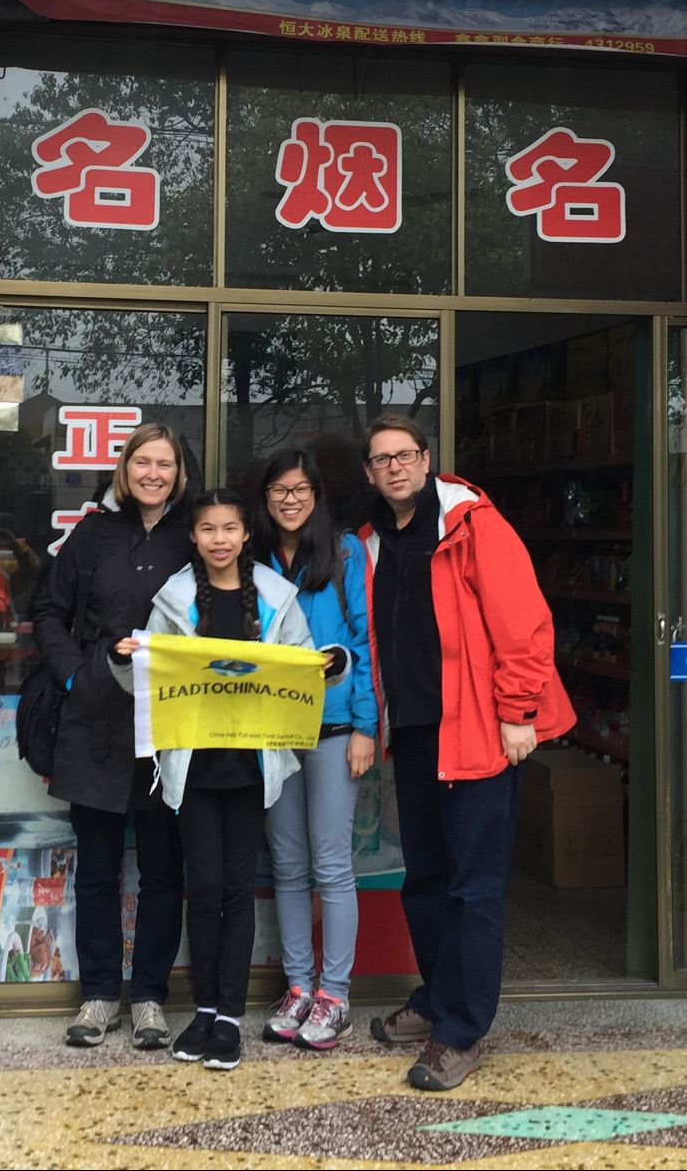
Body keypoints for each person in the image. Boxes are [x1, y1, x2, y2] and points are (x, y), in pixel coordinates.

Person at [358, 412, 573, 1091]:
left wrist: (519, 713)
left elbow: (525, 625)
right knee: (424, 878)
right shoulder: (369, 542)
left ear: (426, 460)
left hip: (480, 732)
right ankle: (435, 999)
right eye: (381, 459)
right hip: (415, 735)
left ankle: (462, 1030)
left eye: (404, 455)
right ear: (369, 473)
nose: (394, 467)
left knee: (472, 887)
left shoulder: (473, 524)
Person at [112, 488, 336, 1071]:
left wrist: (328, 667)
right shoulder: (174, 597)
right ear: (193, 536)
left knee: (237, 891)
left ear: (246, 534)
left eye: (230, 529)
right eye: (208, 529)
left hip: (252, 768)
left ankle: (230, 1016)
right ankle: (205, 1008)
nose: (219, 539)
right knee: (204, 887)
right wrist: (126, 658)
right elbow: (147, 680)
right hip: (193, 766)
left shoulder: (276, 597)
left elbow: (305, 665)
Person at [31, 424, 193, 1052]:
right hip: (95, 718)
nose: (153, 474)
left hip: (170, 722)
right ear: (124, 470)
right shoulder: (93, 534)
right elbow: (48, 610)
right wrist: (75, 674)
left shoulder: (193, 535)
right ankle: (99, 994)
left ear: (179, 474)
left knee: (162, 869)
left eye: (165, 464)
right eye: (142, 462)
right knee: (97, 868)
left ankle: (149, 996)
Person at [253, 449, 376, 1051]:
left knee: (331, 865)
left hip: (334, 730)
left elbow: (365, 641)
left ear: (317, 495)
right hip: (274, 731)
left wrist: (367, 727)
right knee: (287, 866)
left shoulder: (345, 553)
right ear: (265, 497)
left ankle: (335, 995)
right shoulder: (253, 558)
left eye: (301, 489)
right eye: (279, 489)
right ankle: (299, 987)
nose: (290, 500)